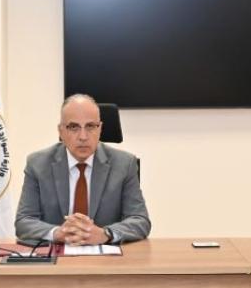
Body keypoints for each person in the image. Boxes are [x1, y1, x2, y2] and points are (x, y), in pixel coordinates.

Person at [15, 94, 151, 245]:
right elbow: (23, 222)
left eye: (90, 126)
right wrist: (58, 233)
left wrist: (105, 234)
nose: (83, 136)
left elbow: (140, 221)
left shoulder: (125, 164)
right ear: (61, 131)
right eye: (74, 127)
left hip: (107, 256)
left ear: (100, 129)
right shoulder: (38, 164)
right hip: (57, 255)